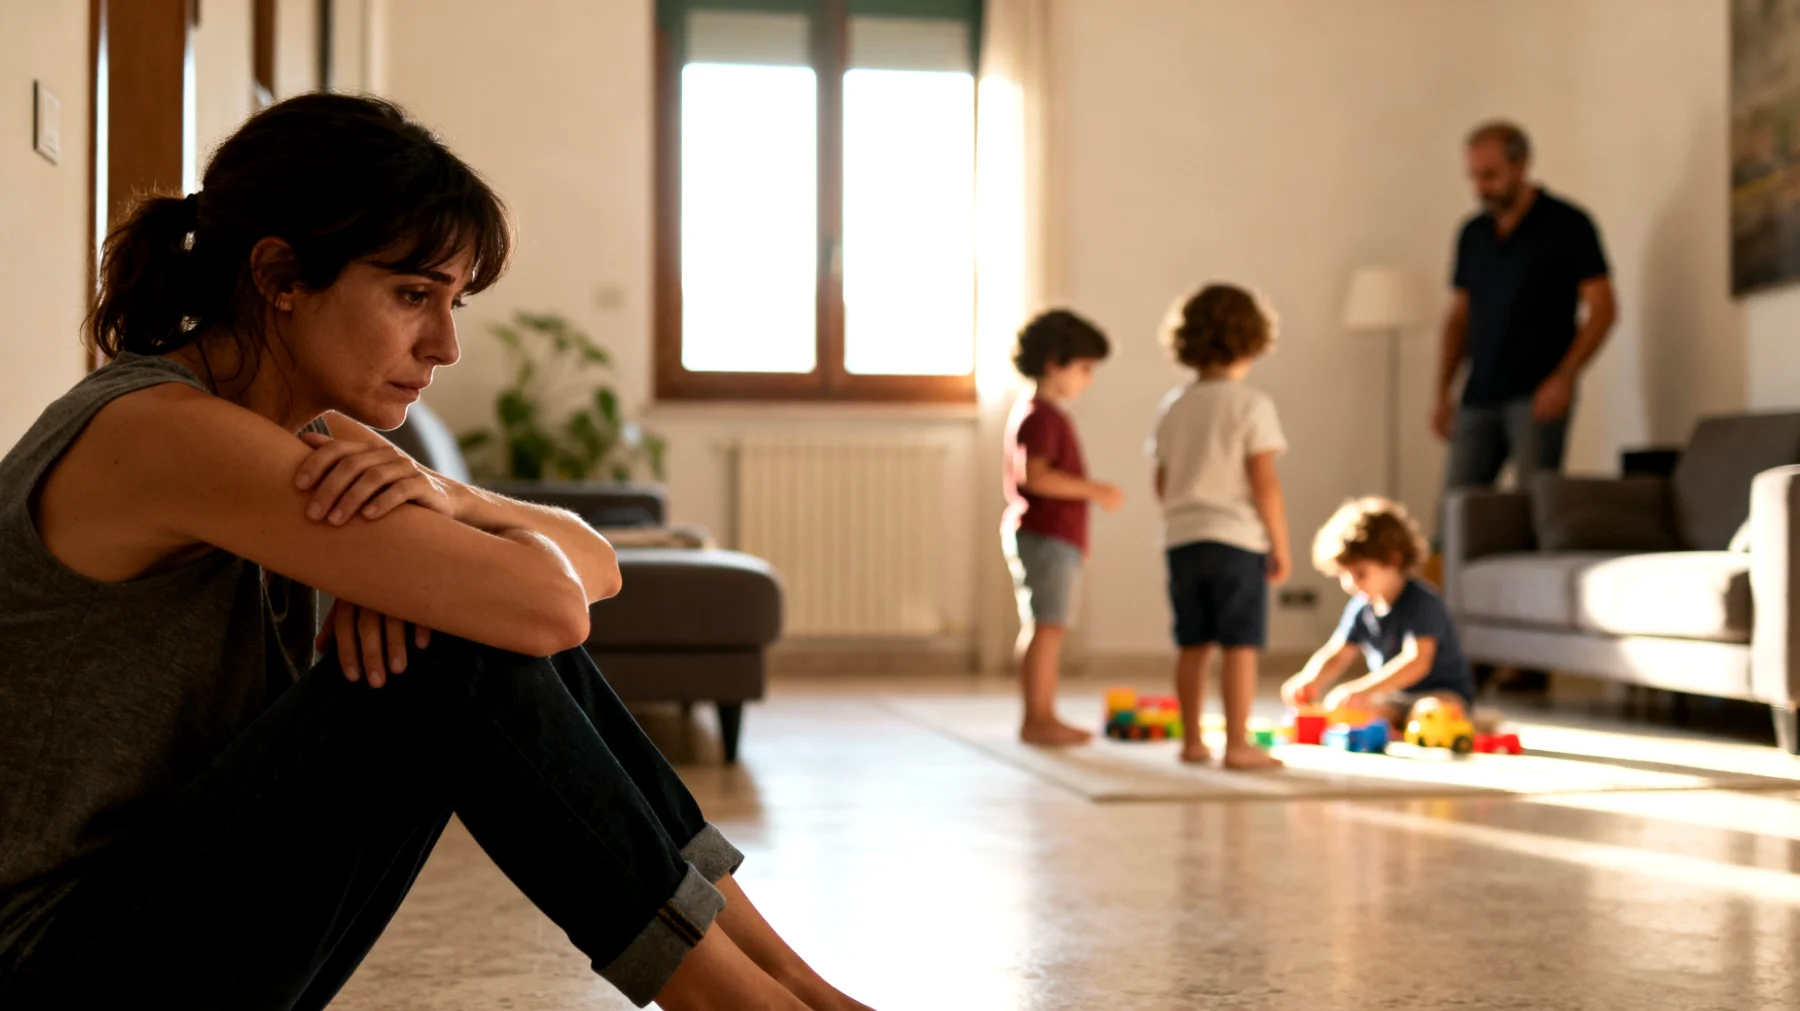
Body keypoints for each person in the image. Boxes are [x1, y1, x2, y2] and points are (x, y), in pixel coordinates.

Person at [0, 94, 873, 1011]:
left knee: (462, 623)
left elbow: (596, 565)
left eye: (452, 302)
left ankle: (797, 987)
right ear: (281, 275)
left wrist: (452, 501)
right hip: (56, 969)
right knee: (452, 646)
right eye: (414, 295)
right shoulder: (167, 430)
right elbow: (552, 603)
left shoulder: (309, 433)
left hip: (151, 932)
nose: (446, 344)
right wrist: (442, 578)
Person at [1148, 284, 1290, 771]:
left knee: (1192, 643)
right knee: (1239, 643)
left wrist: (1184, 513)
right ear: (1253, 339)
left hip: (1182, 539)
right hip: (1236, 541)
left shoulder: (1174, 406)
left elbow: (1162, 481)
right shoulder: (1251, 404)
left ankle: (1192, 742)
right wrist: (1279, 542)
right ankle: (1236, 744)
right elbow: (1264, 482)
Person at [1434, 120, 1616, 496]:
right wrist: (1442, 393)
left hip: (1536, 396)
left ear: (1521, 165)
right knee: (1456, 511)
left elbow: (1602, 309)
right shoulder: (1473, 235)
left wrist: (1565, 376)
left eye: (1491, 175)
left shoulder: (1568, 225)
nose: (1481, 188)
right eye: (1474, 177)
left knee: (1536, 504)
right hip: (1478, 394)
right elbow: (1458, 319)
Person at [1002, 310, 1122, 746]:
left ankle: (1040, 713)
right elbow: (1036, 477)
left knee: (1045, 626)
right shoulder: (1043, 416)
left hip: (1055, 536)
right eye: (1085, 368)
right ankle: (1039, 717)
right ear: (1056, 362)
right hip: (1046, 533)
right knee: (1047, 627)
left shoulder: (1039, 413)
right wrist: (1094, 489)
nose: (1088, 380)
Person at [1282, 498, 1476, 728]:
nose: (1350, 584)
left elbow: (1417, 661)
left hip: (1442, 692)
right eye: (1344, 575)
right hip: (1395, 696)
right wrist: (1308, 680)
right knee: (1348, 712)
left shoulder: (1423, 602)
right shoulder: (1361, 607)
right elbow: (1336, 654)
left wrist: (1361, 688)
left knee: (1431, 711)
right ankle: (1399, 722)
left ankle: (1437, 721)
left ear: (1393, 560)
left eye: (1360, 573)